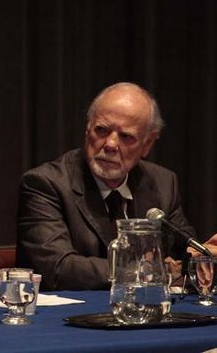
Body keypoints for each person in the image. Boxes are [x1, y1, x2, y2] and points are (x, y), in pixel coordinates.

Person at [16, 82, 195, 291]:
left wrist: (203, 258)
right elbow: (59, 268)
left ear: (147, 144)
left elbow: (187, 250)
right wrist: (150, 271)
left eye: (126, 136)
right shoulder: (45, 184)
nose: (110, 144)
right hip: (67, 317)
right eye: (101, 130)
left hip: (142, 312)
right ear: (87, 130)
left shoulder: (163, 183)